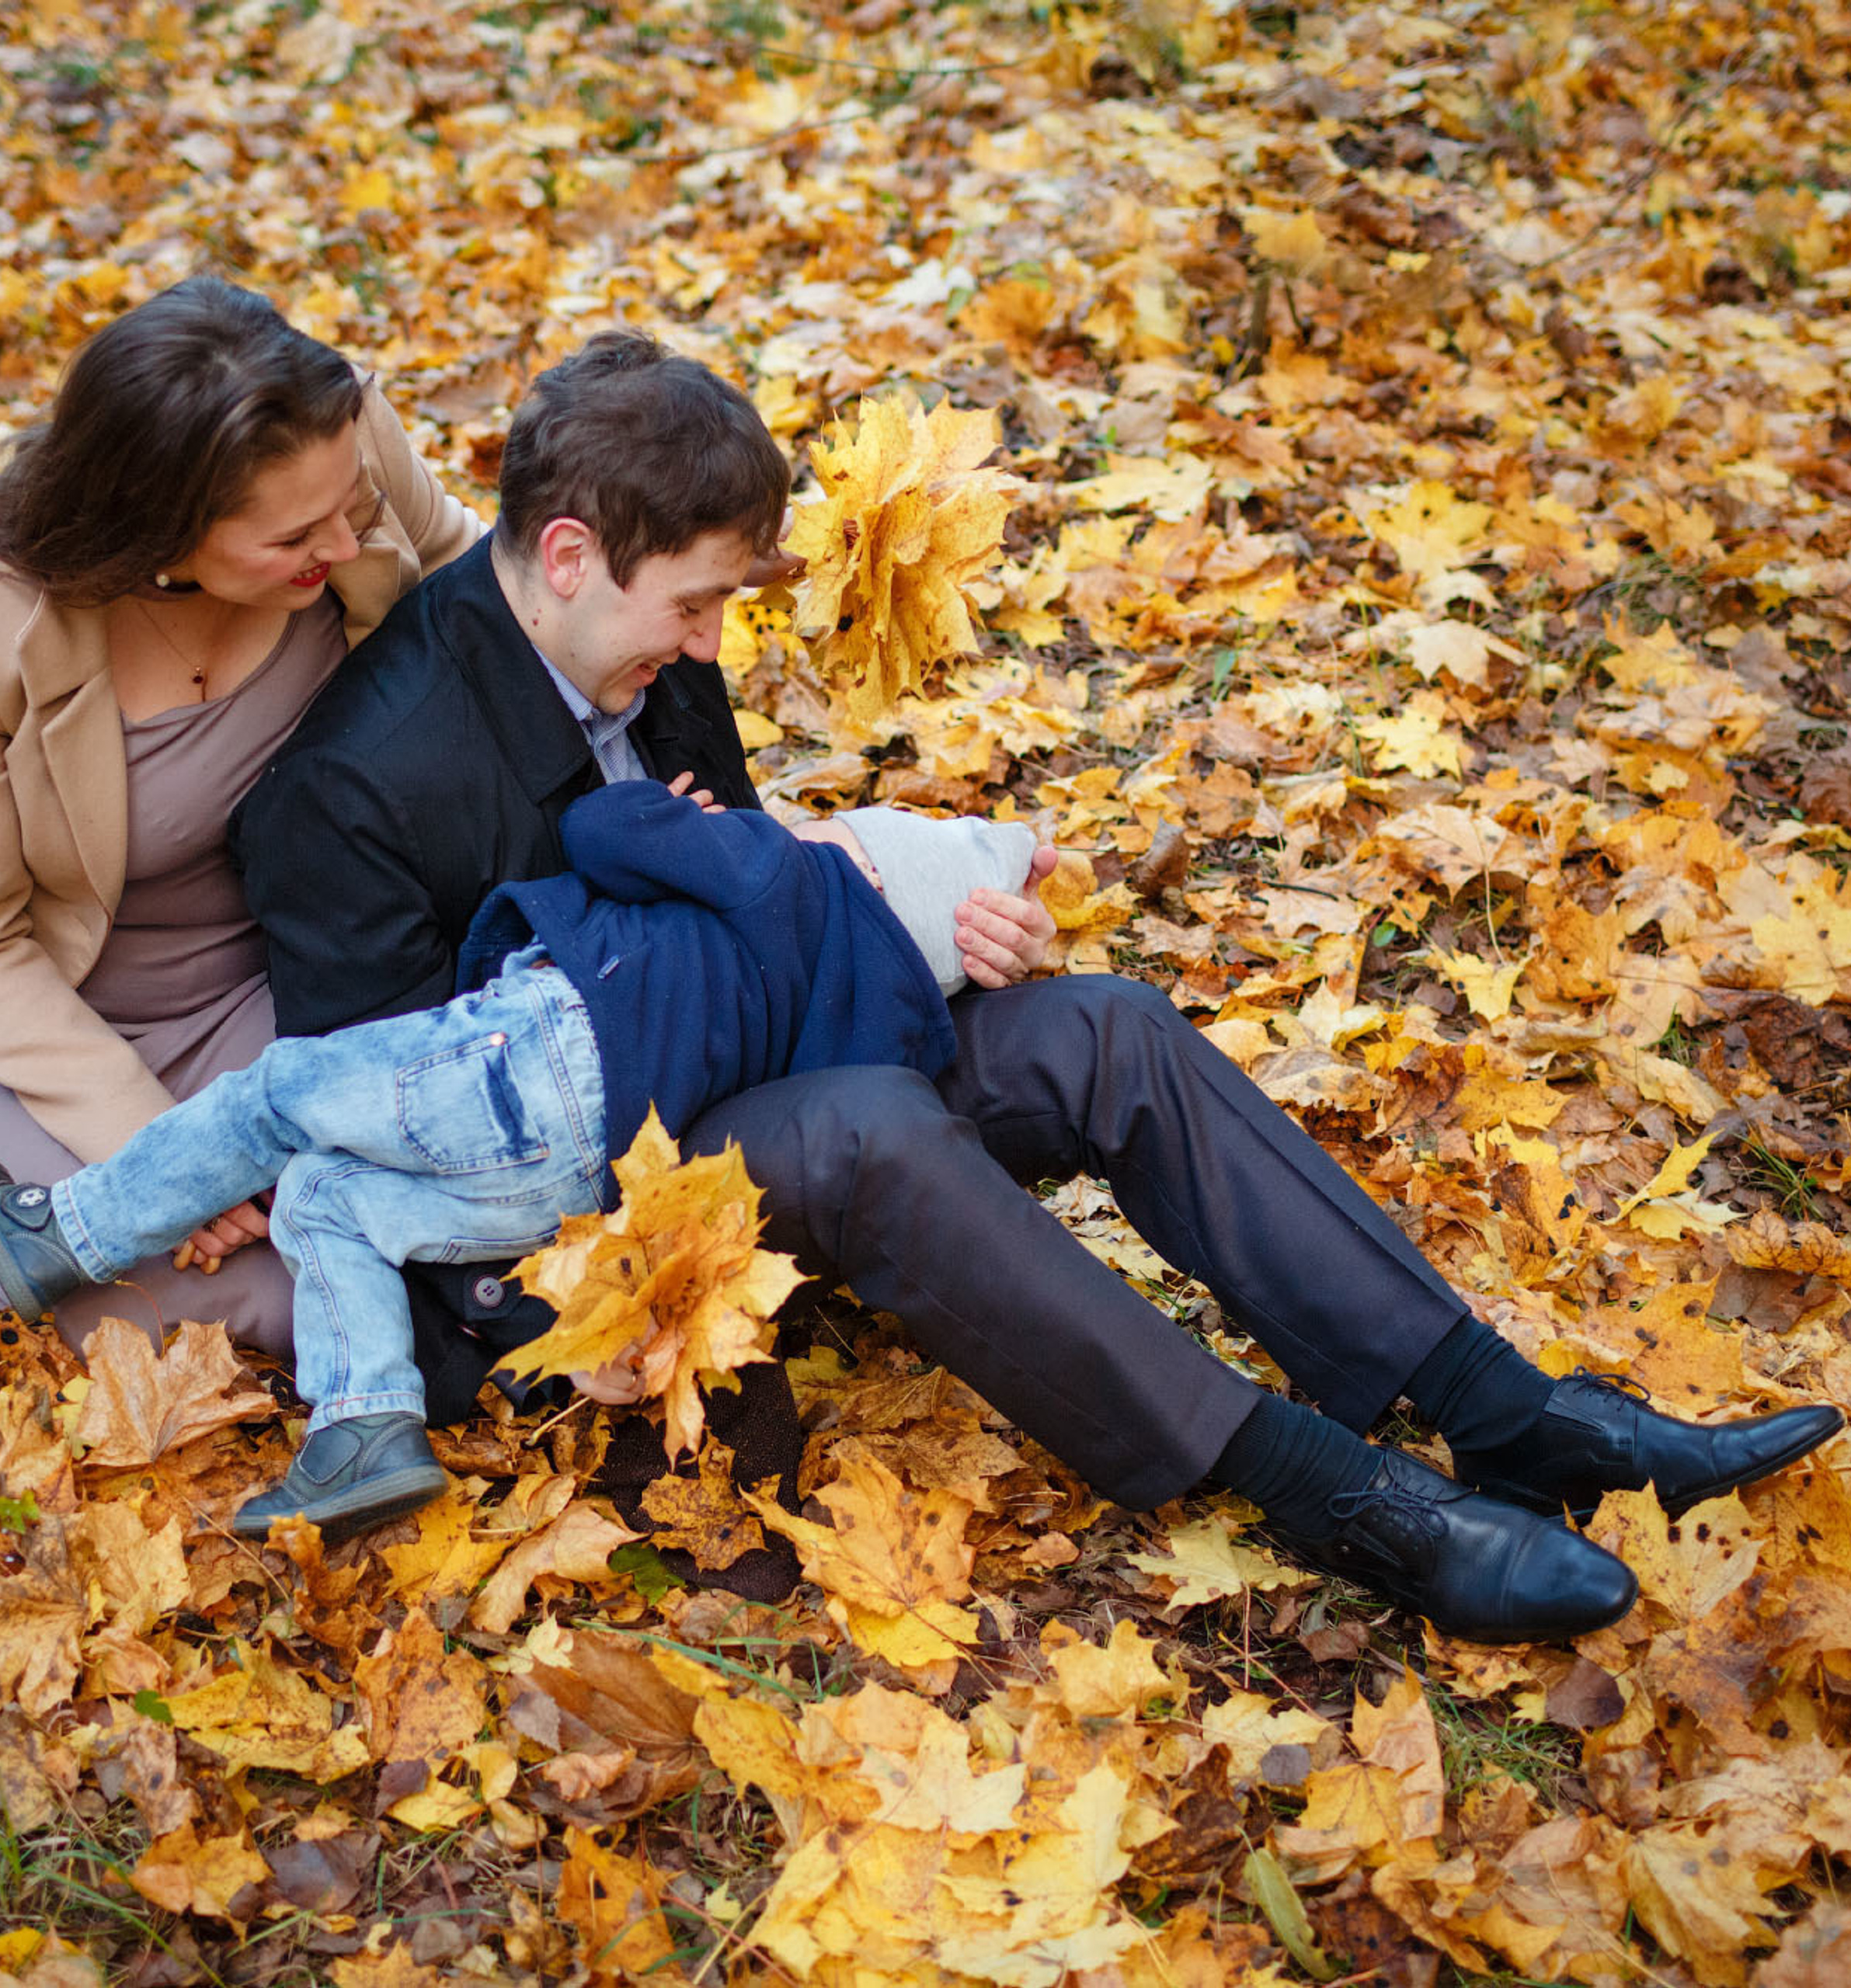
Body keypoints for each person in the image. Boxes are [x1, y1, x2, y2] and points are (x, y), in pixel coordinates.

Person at [230, 328, 1840, 1646]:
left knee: (1103, 1031)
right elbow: (382, 1136)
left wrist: (912, 920)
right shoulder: (357, 791)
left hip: (764, 1057)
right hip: (588, 1205)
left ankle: (1503, 1407)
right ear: (569, 555)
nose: (715, 644)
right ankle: (1333, 1495)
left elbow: (748, 871)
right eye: (695, 604)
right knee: (867, 1122)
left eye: (731, 601)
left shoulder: (641, 649)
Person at [0, 785, 1039, 1545]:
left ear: (869, 870)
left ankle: (68, 1233)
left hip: (535, 1065)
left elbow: (605, 824)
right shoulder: (868, 1028)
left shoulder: (788, 881)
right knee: (330, 1199)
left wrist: (761, 834)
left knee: (283, 1089)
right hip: (568, 1174)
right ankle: (364, 1427)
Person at [0, 278, 485, 1357]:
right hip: (34, 1014)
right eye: (293, 536)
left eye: (350, 510)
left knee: (423, 1203)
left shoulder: (334, 451)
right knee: (236, 1292)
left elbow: (495, 600)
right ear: (161, 528)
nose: (343, 541)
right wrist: (172, 1159)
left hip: (279, 973)